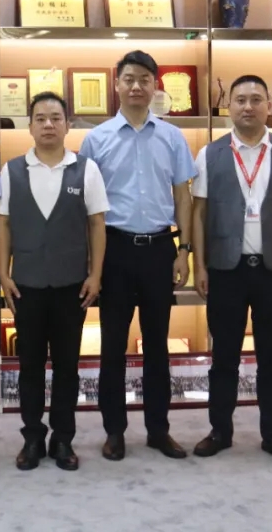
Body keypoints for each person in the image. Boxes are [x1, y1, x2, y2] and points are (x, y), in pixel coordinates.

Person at [79, 50, 196, 462]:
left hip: (160, 250)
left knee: (157, 346)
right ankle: (114, 431)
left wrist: (184, 250)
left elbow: (183, 196)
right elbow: (87, 208)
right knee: (112, 346)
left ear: (155, 86)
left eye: (144, 79)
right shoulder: (96, 139)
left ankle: (158, 430)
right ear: (116, 84)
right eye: (128, 79)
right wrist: (92, 265)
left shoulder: (172, 137)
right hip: (114, 251)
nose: (136, 86)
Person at [191, 74, 272, 463]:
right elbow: (199, 213)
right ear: (229, 106)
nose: (248, 106)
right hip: (226, 270)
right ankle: (220, 431)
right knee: (223, 358)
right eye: (240, 100)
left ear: (268, 105)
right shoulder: (209, 154)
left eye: (256, 99)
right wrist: (199, 265)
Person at [0, 92, 108, 471]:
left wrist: (95, 275)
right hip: (26, 285)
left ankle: (63, 439)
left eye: (55, 118)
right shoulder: (12, 170)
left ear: (68, 125)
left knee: (66, 366)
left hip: (71, 285)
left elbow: (97, 224)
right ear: (29, 126)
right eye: (40, 118)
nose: (48, 124)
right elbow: (3, 225)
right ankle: (32, 437)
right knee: (29, 365)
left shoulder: (86, 169)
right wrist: (3, 273)